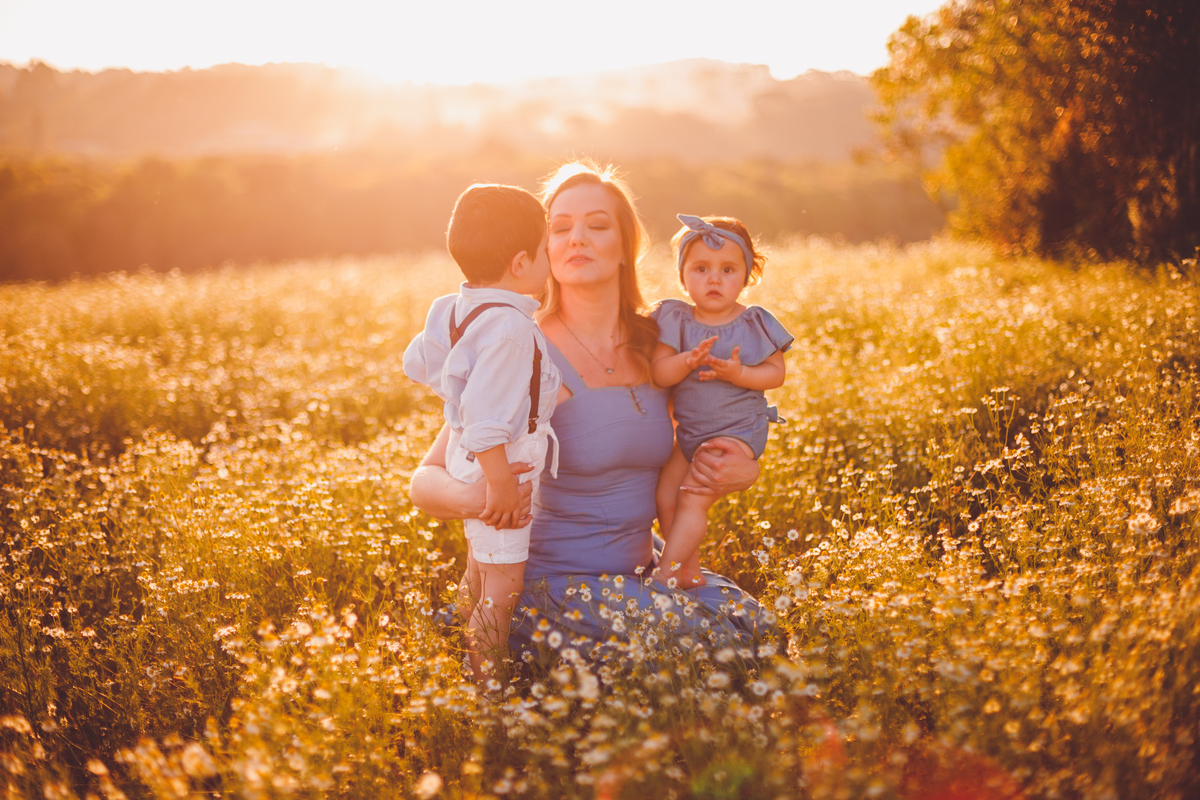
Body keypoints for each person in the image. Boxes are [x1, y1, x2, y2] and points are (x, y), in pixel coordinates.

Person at [408, 163, 775, 670]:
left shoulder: (661, 345)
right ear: (541, 251)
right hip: (552, 582)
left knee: (758, 632)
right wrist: (477, 496)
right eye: (559, 228)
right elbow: (426, 480)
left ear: (626, 244)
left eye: (597, 225)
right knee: (710, 651)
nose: (577, 238)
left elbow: (711, 434)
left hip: (646, 572)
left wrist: (743, 468)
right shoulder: (520, 348)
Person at [403, 183, 562, 683]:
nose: (549, 263)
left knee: (477, 572)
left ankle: (449, 662)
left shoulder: (448, 307)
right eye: (545, 253)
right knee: (501, 592)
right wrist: (499, 486)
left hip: (468, 456)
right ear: (520, 264)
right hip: (502, 466)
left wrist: (459, 393)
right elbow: (490, 420)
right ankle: (486, 697)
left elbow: (418, 363)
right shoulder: (511, 327)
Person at [650, 215, 793, 589]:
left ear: (747, 276)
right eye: (701, 268)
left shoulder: (753, 322)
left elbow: (776, 374)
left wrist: (738, 374)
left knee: (693, 499)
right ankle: (688, 570)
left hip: (735, 432)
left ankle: (664, 577)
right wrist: (687, 361)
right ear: (683, 276)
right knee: (666, 496)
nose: (714, 279)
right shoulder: (675, 319)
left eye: (728, 269)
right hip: (691, 433)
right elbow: (661, 374)